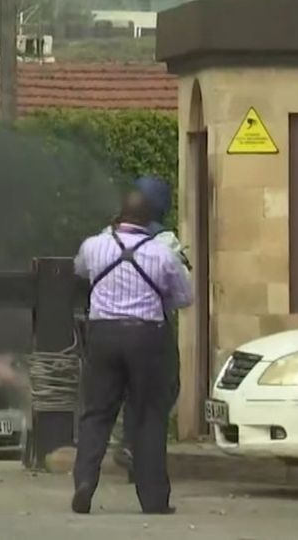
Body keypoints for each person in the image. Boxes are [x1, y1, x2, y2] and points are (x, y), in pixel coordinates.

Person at [72, 181, 194, 516]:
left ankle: (84, 481)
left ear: (120, 215)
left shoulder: (94, 246)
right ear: (150, 219)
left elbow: (80, 271)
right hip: (147, 337)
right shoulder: (163, 253)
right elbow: (185, 297)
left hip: (102, 336)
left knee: (96, 413)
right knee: (148, 416)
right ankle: (153, 498)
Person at [110, 177, 191, 482]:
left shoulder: (108, 237)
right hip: (153, 329)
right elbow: (183, 291)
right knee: (162, 391)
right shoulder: (165, 241)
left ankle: (129, 449)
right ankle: (139, 453)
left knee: (126, 392)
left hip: (108, 327)